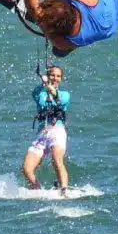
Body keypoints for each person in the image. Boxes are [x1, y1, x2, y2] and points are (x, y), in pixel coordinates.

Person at [23, 65, 70, 195]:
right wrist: (43, 82)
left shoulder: (65, 95)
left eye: (58, 76)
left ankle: (64, 190)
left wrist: (51, 88)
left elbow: (56, 96)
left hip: (57, 131)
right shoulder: (39, 93)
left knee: (57, 160)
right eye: (52, 75)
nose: (55, 78)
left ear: (61, 79)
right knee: (27, 169)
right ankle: (38, 191)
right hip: (42, 133)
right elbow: (37, 92)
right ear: (48, 76)